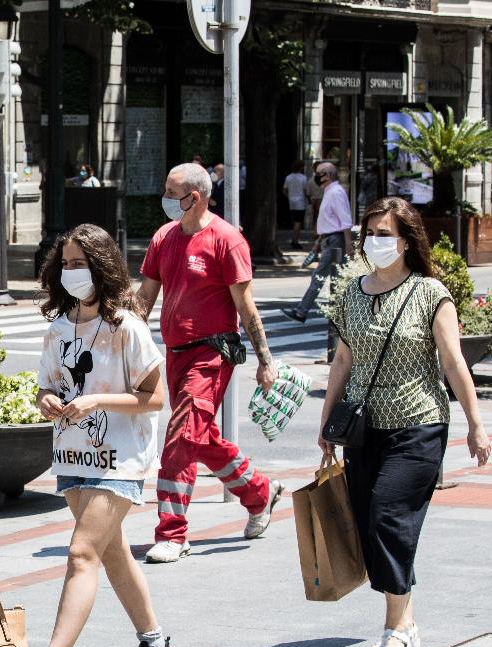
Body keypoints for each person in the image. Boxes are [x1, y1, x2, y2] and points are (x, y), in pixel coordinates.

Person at [320, 196, 491, 647]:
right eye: (370, 233)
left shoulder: (430, 293)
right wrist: (327, 422)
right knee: (369, 522)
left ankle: (395, 629)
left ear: (406, 241)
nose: (375, 241)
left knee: (388, 516)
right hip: (363, 429)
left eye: (385, 234)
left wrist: (476, 425)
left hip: (419, 424)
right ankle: (407, 621)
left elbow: (453, 363)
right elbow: (342, 360)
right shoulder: (352, 294)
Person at [30, 224, 176, 647]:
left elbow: (155, 397)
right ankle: (155, 646)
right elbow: (45, 386)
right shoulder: (59, 326)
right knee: (112, 553)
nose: (72, 272)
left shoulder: (126, 327)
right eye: (66, 264)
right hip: (73, 454)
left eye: (81, 263)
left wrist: (96, 401)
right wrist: (46, 400)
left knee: (81, 554)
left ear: (102, 266)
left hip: (120, 460)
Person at [138, 163, 286, 563]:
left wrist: (265, 361)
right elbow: (144, 298)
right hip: (175, 353)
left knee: (180, 438)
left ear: (195, 197)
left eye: (172, 193)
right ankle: (260, 493)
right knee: (199, 439)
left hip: (212, 354)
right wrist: (121, 342)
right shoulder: (164, 237)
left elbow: (246, 307)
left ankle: (172, 533)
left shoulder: (227, 240)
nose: (165, 199)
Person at [282, 162, 353, 323]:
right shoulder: (329, 191)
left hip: (335, 240)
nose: (316, 176)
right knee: (336, 277)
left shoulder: (335, 192)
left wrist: (348, 243)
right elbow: (330, 220)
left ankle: (302, 311)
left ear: (328, 175)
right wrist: (319, 241)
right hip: (330, 239)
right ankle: (339, 314)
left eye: (319, 173)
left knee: (320, 276)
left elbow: (345, 220)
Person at [283, 160, 309, 249]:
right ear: (301, 168)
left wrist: (289, 196)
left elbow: (284, 190)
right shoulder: (303, 178)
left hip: (292, 202)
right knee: (298, 222)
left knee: (295, 221)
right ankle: (295, 240)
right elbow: (305, 191)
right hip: (300, 202)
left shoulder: (288, 177)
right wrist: (308, 199)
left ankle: (295, 239)